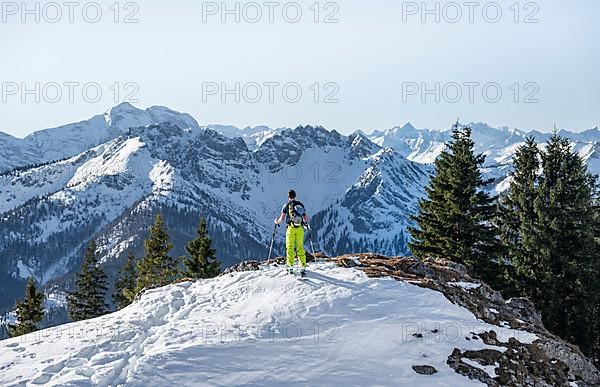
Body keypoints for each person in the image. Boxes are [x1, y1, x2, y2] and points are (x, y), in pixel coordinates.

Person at [275, 190, 309, 276]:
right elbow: (305, 218)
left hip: (291, 228)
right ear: (295, 196)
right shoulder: (300, 204)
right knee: (300, 247)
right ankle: (303, 267)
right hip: (300, 229)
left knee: (290, 247)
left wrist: (276, 222)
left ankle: (290, 267)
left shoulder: (286, 205)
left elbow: (282, 219)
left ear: (288, 197)